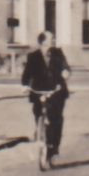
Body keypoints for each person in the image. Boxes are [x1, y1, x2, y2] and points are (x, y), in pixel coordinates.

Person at [21, 31, 72, 160]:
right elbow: (27, 74)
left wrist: (65, 72)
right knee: (37, 112)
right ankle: (39, 130)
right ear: (43, 42)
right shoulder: (33, 56)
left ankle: (54, 145)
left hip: (56, 90)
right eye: (52, 39)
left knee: (56, 118)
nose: (54, 40)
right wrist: (25, 85)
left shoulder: (58, 53)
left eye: (54, 38)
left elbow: (65, 66)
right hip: (39, 90)